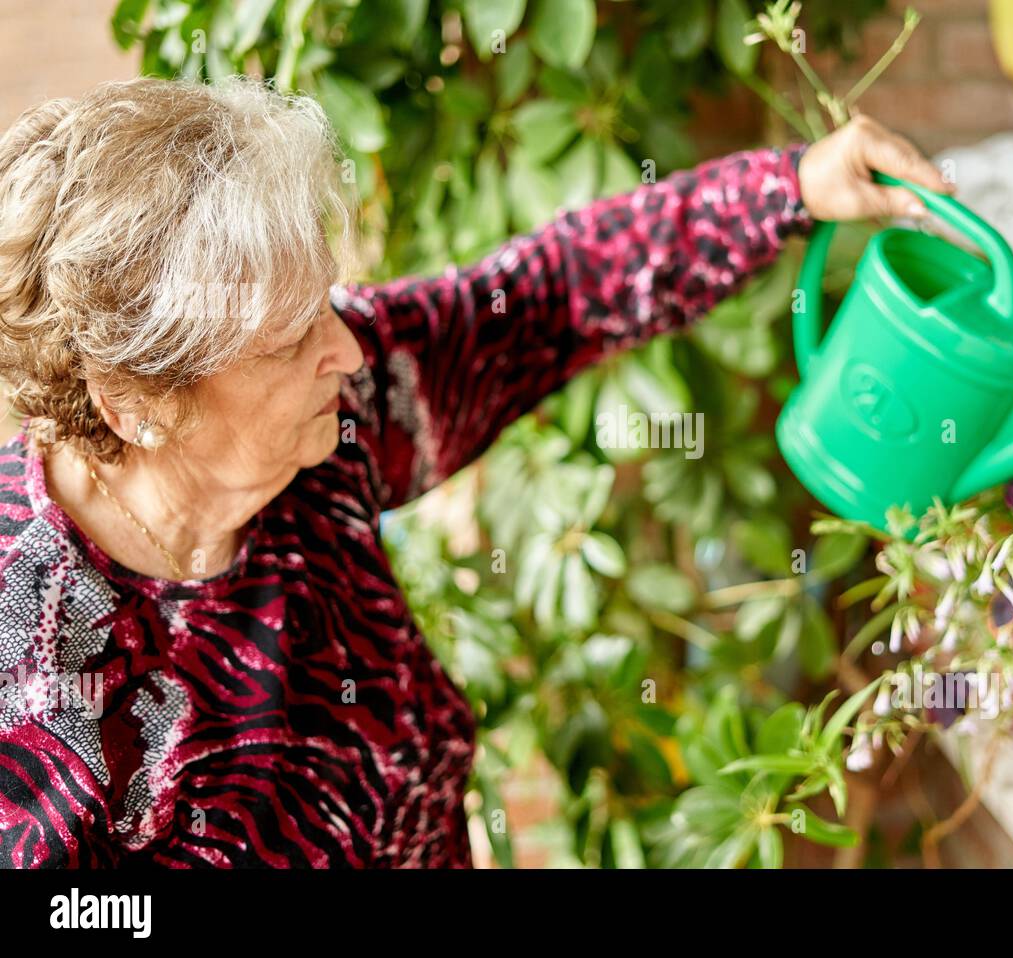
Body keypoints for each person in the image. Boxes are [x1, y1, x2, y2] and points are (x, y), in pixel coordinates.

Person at [0, 76, 950, 867]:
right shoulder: (37, 688)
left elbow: (547, 299)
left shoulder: (327, 425)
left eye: (325, 305)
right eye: (293, 337)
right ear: (142, 404)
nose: (350, 349)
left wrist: (786, 186)